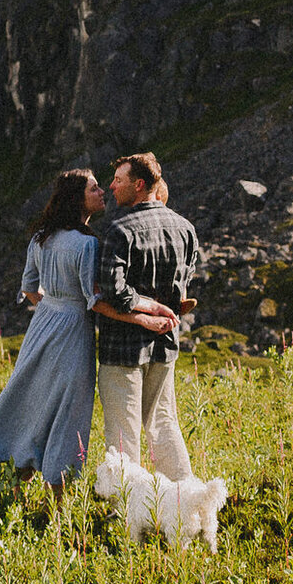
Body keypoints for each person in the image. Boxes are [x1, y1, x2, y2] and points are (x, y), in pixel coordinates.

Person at [0, 168, 176, 489]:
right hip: (73, 334)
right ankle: (58, 497)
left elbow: (29, 288)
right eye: (94, 189)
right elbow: (95, 301)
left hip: (42, 327)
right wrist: (146, 318)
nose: (103, 192)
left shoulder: (41, 238)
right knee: (70, 410)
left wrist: (53, 309)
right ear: (77, 200)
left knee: (32, 400)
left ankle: (13, 477)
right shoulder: (86, 245)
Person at [95, 151, 203, 478]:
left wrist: (146, 307)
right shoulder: (185, 229)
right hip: (165, 343)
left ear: (139, 184)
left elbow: (113, 291)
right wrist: (161, 309)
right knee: (164, 424)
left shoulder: (120, 230)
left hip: (121, 347)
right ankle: (185, 500)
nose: (111, 186)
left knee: (122, 434)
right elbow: (182, 288)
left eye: (119, 180)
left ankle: (127, 513)